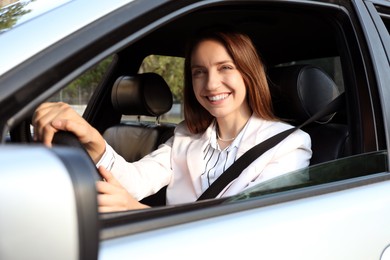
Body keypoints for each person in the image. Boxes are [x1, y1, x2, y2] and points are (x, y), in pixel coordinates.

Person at [33, 28, 312, 212]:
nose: (211, 84)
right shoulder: (186, 136)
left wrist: (136, 211)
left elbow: (251, 230)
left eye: (225, 68)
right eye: (199, 72)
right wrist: (93, 142)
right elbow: (135, 183)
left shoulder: (289, 145)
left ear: (248, 74)